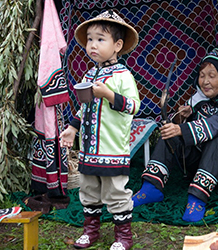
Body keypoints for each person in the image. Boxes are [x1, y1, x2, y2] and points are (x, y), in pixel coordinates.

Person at [132, 43, 218, 222]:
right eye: (202, 75)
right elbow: (180, 128)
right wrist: (180, 119)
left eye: (212, 76)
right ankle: (151, 188)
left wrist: (182, 128)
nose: (205, 81)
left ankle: (197, 198)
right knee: (170, 132)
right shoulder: (198, 97)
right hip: (203, 162)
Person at [59, 10, 140, 250]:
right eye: (90, 39)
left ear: (117, 45)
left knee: (116, 192)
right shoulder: (88, 74)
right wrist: (72, 129)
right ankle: (90, 232)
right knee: (89, 190)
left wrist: (109, 94)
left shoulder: (124, 75)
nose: (93, 44)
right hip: (88, 150)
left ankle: (123, 237)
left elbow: (134, 106)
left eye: (100, 39)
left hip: (112, 148)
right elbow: (84, 108)